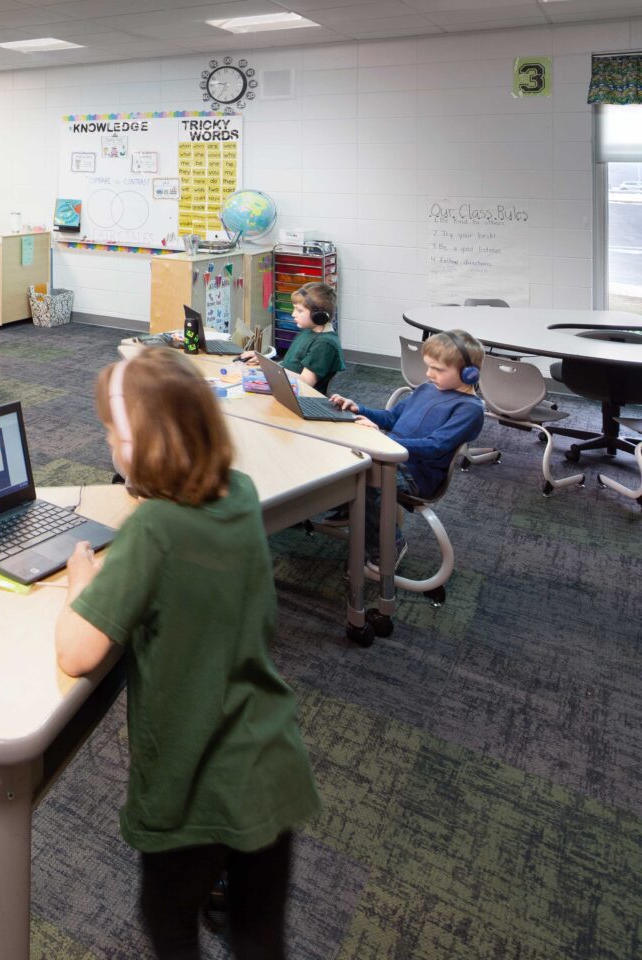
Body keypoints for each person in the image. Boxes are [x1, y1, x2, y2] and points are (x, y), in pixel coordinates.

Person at [54, 348, 321, 960]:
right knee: (259, 937)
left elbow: (76, 652)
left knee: (166, 920)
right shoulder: (242, 493)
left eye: (112, 432)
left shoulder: (154, 534)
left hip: (195, 780)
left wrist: (79, 581)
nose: (107, 442)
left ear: (139, 442)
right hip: (271, 764)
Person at [328, 328, 485, 565]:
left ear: (469, 373)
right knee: (341, 451)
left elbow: (435, 446)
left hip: (418, 475)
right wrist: (357, 409)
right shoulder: (427, 388)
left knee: (368, 473)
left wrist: (383, 440)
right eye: (428, 366)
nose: (429, 374)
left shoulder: (469, 409)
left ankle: (389, 548)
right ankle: (350, 508)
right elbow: (391, 418)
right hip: (392, 454)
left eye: (438, 369)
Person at [241, 281, 343, 393]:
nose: (293, 314)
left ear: (319, 316)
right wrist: (264, 361)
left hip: (302, 398)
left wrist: (266, 366)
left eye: (299, 310)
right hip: (287, 387)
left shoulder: (324, 344)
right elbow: (290, 366)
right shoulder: (309, 331)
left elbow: (305, 381)